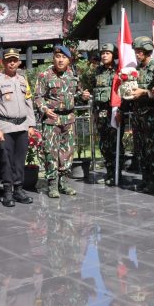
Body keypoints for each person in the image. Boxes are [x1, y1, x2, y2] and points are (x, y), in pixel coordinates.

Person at [34, 45, 90, 198]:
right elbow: (38, 96)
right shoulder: (44, 75)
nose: (60, 60)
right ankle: (52, 185)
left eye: (63, 57)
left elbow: (77, 94)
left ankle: (64, 183)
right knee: (51, 152)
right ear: (53, 58)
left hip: (69, 119)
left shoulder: (73, 75)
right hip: (52, 119)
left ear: (68, 60)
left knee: (67, 152)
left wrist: (83, 95)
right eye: (57, 57)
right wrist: (44, 109)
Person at [0, 48, 36, 207]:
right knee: (6, 161)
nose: (12, 62)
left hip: (22, 125)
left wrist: (31, 124)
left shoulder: (23, 80)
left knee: (19, 160)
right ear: (4, 62)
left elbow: (29, 103)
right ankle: (7, 191)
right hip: (5, 126)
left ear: (19, 62)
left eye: (15, 60)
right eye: (9, 60)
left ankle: (18, 190)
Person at [127, 36, 154, 194]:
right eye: (136, 51)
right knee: (140, 149)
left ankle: (153, 182)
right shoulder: (138, 69)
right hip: (137, 114)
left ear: (148, 52)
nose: (137, 54)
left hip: (150, 114)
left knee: (151, 149)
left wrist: (144, 92)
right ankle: (145, 179)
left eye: (140, 52)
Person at [92, 43, 123, 186]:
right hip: (100, 113)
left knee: (115, 144)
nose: (104, 55)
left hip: (113, 112)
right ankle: (109, 172)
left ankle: (117, 173)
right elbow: (90, 88)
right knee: (104, 145)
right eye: (103, 53)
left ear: (114, 55)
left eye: (107, 53)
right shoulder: (97, 71)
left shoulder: (119, 71)